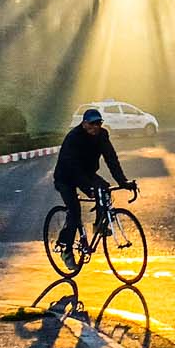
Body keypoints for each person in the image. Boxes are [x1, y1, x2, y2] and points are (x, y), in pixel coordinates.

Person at [53, 107, 135, 261]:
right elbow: (72, 166)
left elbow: (111, 158)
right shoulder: (73, 138)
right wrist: (88, 187)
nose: (95, 127)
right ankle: (67, 250)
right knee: (75, 211)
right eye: (92, 124)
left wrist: (122, 181)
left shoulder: (102, 135)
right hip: (66, 177)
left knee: (104, 189)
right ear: (84, 124)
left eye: (98, 123)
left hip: (86, 173)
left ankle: (99, 225)